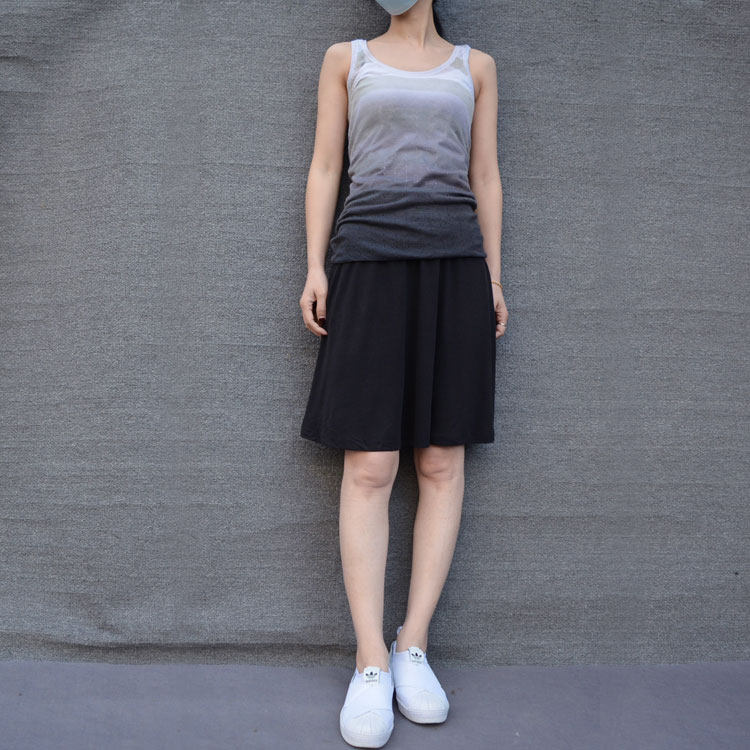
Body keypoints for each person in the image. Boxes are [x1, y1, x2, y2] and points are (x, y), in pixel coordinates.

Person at [299, 0, 507, 746]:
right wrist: (315, 266)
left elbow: (486, 176)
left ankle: (411, 645)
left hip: (455, 268)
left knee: (442, 461)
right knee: (370, 465)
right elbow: (327, 166)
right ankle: (369, 661)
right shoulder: (346, 59)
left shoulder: (475, 68)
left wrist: (494, 278)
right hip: (368, 263)